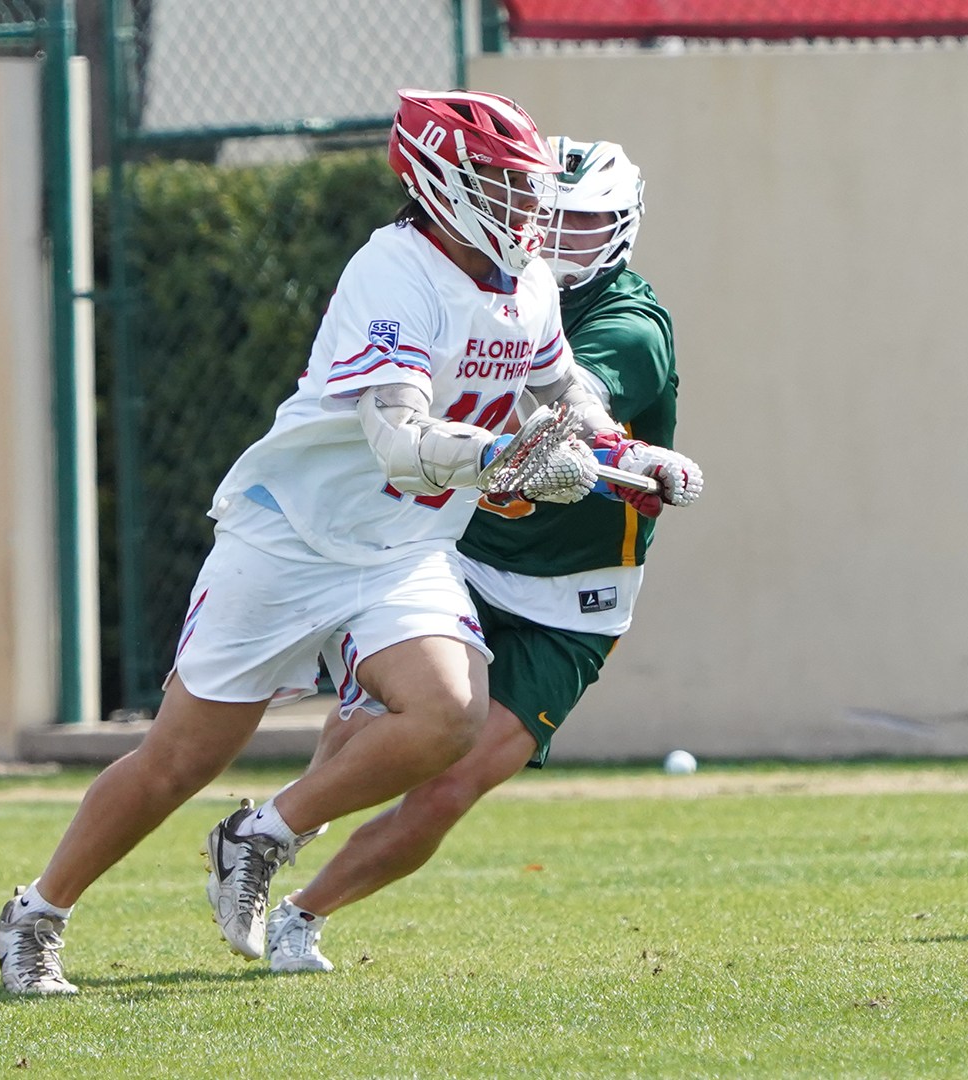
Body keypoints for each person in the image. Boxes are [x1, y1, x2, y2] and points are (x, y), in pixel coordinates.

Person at [0, 91, 696, 994]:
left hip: (403, 549)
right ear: (443, 181)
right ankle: (38, 913)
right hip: (293, 537)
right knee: (177, 761)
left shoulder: (525, 281)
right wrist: (512, 463)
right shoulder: (392, 269)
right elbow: (399, 439)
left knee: (450, 714)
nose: (528, 212)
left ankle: (260, 836)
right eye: (504, 186)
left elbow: (563, 392)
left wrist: (632, 454)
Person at [260, 138, 699, 973]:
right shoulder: (474, 284)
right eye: (552, 219)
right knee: (372, 721)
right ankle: (276, 832)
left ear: (623, 229)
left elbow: (581, 402)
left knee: (449, 787)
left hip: (573, 594)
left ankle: (302, 915)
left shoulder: (629, 324)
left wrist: (621, 453)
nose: (560, 239)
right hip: (461, 549)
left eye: (586, 225)